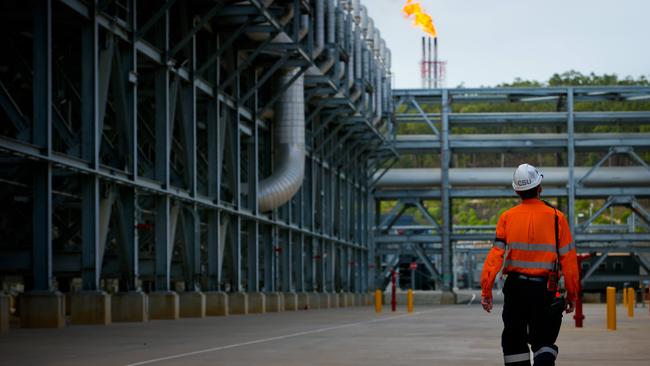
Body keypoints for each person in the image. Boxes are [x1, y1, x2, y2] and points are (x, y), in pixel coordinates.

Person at [480, 163, 579, 366]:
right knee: (544, 340)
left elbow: (495, 256)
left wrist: (486, 289)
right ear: (539, 187)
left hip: (515, 289)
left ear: (517, 190)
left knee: (514, 341)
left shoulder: (507, 218)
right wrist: (572, 293)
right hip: (544, 290)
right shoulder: (556, 218)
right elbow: (568, 259)